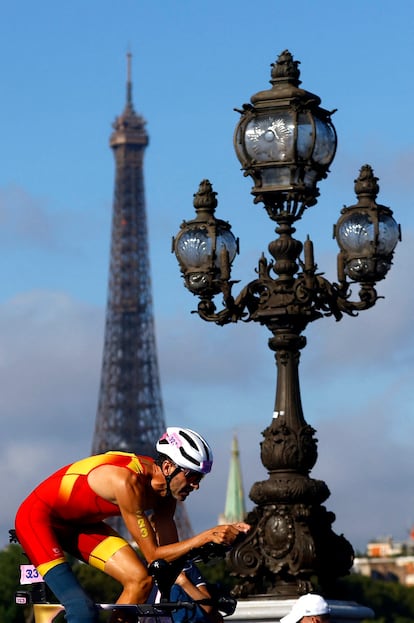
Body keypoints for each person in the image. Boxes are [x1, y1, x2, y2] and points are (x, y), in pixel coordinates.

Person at [15, 427, 250, 623]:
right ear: (168, 467)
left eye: (200, 479)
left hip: (80, 525)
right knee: (82, 610)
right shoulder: (127, 481)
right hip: (38, 519)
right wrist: (207, 535)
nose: (196, 486)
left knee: (140, 581)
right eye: (192, 477)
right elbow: (153, 554)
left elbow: (167, 560)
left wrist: (219, 549)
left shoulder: (167, 495)